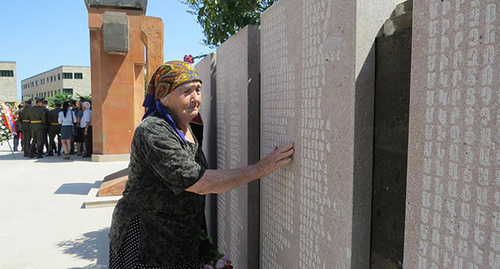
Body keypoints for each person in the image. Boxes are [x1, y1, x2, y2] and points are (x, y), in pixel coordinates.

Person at [108, 61, 294, 268]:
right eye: (185, 91)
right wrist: (259, 169)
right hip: (147, 238)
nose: (195, 98)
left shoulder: (191, 126)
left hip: (180, 238)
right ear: (165, 97)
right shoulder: (153, 130)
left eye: (198, 89)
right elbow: (199, 182)